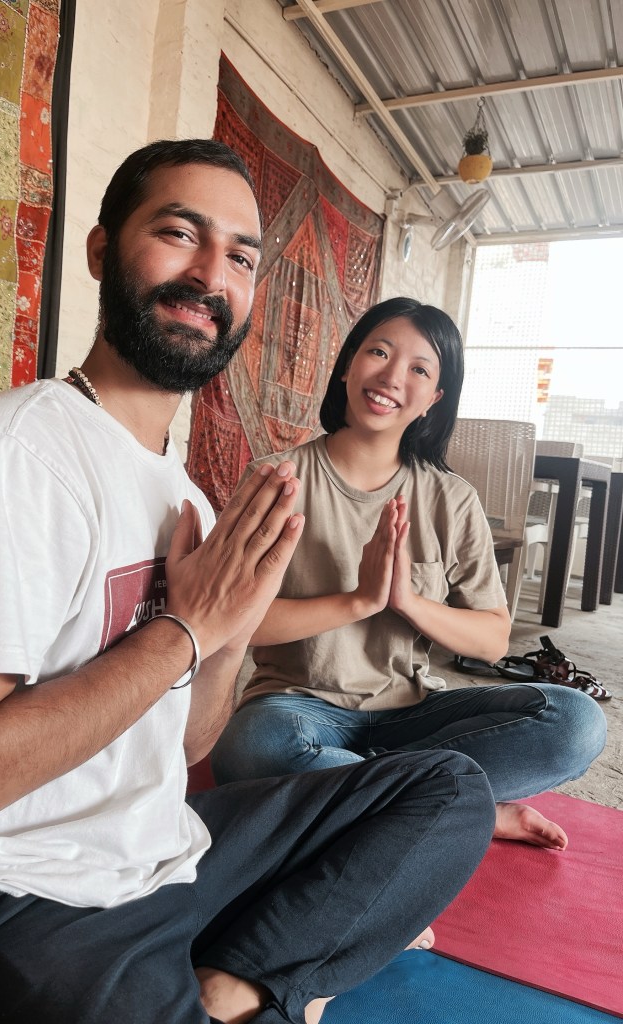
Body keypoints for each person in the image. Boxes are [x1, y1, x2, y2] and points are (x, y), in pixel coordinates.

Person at [0, 144, 497, 1024]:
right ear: (99, 251)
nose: (209, 275)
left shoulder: (185, 494)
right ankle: (258, 987)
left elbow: (188, 741)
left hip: (158, 855)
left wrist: (232, 628)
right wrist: (188, 628)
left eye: (239, 256)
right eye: (177, 233)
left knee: (449, 792)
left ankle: (238, 986)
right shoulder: (13, 454)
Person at [211, 297, 607, 851]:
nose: (392, 376)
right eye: (378, 351)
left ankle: (373, 790)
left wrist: (406, 601)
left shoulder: (451, 497)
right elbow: (232, 625)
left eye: (419, 368)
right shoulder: (276, 480)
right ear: (348, 364)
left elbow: (493, 639)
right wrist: (358, 600)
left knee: (576, 721)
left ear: (434, 399)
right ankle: (459, 800)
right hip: (299, 709)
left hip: (414, 709)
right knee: (250, 747)